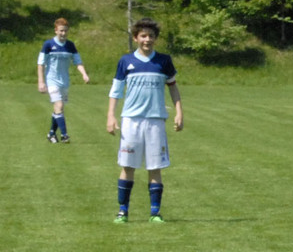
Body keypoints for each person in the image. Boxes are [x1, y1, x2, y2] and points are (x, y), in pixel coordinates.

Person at [107, 18, 183, 224]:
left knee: (155, 167)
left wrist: (179, 112)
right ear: (135, 38)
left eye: (151, 36)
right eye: (143, 36)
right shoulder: (126, 61)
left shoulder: (164, 61)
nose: (147, 39)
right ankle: (123, 212)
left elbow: (173, 88)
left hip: (155, 122)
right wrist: (111, 116)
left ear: (155, 38)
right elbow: (115, 91)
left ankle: (155, 213)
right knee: (127, 166)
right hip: (131, 121)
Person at [37, 17, 90, 144]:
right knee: (59, 106)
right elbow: (40, 64)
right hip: (51, 80)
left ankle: (51, 134)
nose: (63, 33)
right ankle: (64, 135)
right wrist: (41, 81)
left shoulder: (70, 45)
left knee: (58, 109)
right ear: (55, 30)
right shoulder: (48, 45)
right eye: (61, 30)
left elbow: (78, 62)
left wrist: (84, 74)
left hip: (65, 81)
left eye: (65, 31)